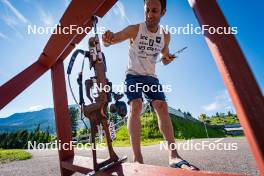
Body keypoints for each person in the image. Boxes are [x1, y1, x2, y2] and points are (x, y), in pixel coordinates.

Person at [102, 0, 199, 171]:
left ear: (163, 12)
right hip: (132, 75)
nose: (149, 15)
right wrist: (107, 39)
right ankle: (138, 158)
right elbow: (112, 40)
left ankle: (173, 156)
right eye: (147, 10)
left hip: (151, 77)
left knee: (162, 106)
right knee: (136, 105)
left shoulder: (165, 35)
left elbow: (164, 58)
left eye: (154, 11)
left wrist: (168, 59)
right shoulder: (135, 29)